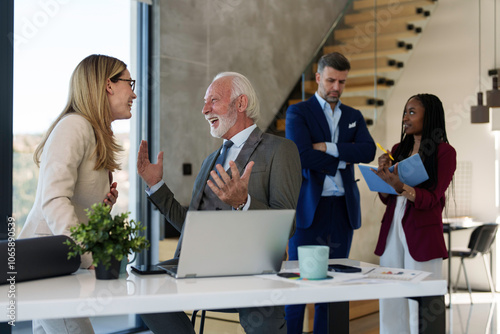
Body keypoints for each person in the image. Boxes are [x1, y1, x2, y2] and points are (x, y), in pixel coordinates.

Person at [137, 72, 302, 334]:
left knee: (265, 318)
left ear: (240, 103)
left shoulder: (280, 150)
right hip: (199, 266)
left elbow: (287, 225)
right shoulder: (210, 160)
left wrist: (244, 202)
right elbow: (191, 224)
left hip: (252, 271)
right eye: (205, 102)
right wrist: (157, 186)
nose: (204, 110)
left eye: (213, 100)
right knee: (143, 290)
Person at [19, 54, 136, 334]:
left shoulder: (91, 132)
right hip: (50, 261)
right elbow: (54, 199)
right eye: (129, 83)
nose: (133, 92)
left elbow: (72, 201)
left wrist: (101, 207)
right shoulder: (74, 126)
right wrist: (86, 253)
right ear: (108, 85)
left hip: (57, 263)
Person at [284, 52, 376, 333]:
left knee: (335, 287)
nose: (336, 87)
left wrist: (328, 147)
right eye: (331, 80)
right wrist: (346, 158)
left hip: (343, 211)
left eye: (342, 82)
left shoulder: (353, 116)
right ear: (318, 78)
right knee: (299, 285)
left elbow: (369, 151)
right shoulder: (298, 112)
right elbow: (300, 155)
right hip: (309, 211)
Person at [373, 94, 456, 334]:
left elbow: (432, 198)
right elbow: (388, 198)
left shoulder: (444, 153)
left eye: (412, 112)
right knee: (390, 296)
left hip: (423, 233)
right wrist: (384, 177)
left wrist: (401, 186)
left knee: (421, 301)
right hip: (392, 229)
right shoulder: (399, 149)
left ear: (428, 116)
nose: (405, 118)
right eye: (404, 112)